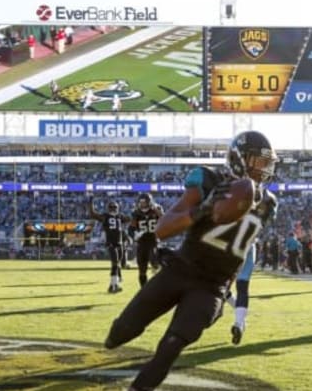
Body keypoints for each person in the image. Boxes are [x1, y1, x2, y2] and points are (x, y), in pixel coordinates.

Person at [104, 130, 277, 390]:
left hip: (212, 286)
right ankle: (117, 335)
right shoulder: (208, 179)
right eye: (258, 162)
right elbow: (162, 229)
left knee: (171, 345)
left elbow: (240, 249)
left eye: (267, 163)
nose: (264, 169)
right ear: (239, 159)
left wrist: (229, 288)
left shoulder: (269, 204)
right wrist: (202, 209)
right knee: (121, 332)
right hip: (180, 270)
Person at [226, 189, 278, 345]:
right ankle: (240, 321)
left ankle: (239, 321)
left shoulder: (252, 210)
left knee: (233, 286)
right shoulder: (257, 210)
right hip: (246, 248)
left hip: (239, 248)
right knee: (233, 288)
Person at [90, 197, 130, 293]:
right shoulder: (108, 216)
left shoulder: (117, 216)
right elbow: (93, 214)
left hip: (119, 243)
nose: (114, 209)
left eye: (114, 207)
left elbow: (129, 219)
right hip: (112, 243)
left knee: (117, 264)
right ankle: (113, 285)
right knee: (115, 263)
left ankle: (114, 284)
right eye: (113, 208)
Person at [129, 193, 164, 287]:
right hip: (142, 242)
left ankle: (158, 285)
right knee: (142, 269)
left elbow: (164, 219)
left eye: (144, 202)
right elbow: (131, 228)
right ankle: (143, 289)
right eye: (141, 202)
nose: (142, 204)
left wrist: (156, 209)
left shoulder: (156, 209)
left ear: (149, 202)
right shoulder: (136, 213)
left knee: (154, 262)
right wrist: (134, 235)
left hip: (153, 240)